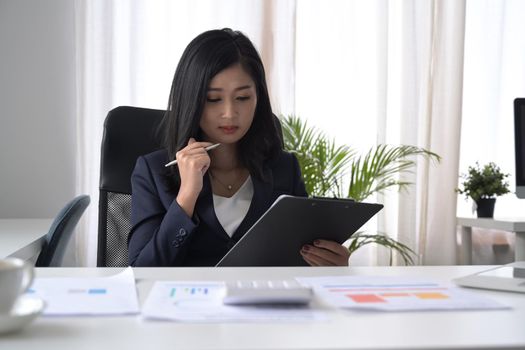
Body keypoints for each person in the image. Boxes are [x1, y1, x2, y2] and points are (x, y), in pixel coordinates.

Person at [128, 28, 350, 267]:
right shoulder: (152, 172)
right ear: (192, 100)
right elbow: (141, 271)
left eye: (243, 98)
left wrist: (330, 262)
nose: (229, 113)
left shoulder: (285, 169)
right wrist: (187, 196)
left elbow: (298, 261)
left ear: (258, 99)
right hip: (188, 302)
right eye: (213, 99)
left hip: (261, 302)